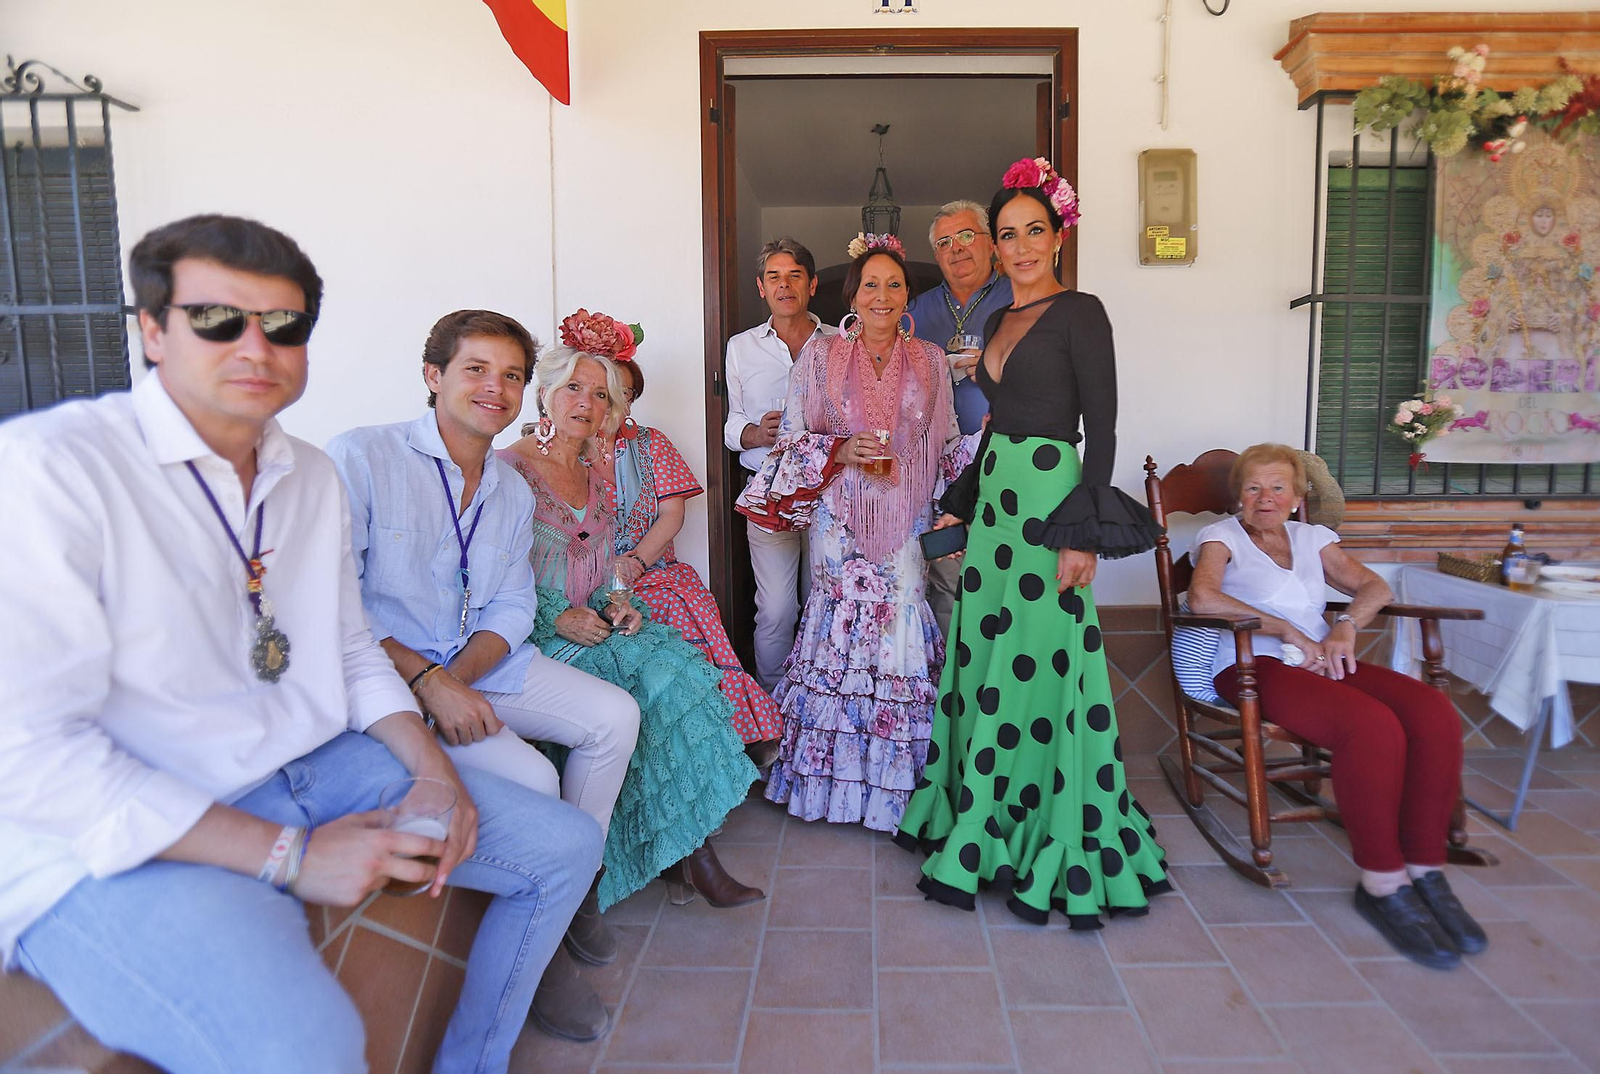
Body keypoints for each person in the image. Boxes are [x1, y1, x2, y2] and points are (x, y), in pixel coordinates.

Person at [0, 214, 601, 1073]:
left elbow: (348, 645)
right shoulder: (51, 470)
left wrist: (433, 773)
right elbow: (27, 759)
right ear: (152, 331)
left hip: (316, 763)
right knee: (307, 1048)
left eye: (282, 325)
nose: (255, 345)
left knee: (564, 846)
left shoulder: (305, 473)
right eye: (217, 318)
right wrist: (290, 856)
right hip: (122, 834)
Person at [327, 308, 642, 1042]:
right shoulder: (363, 457)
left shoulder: (507, 490)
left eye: (509, 375)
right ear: (433, 376)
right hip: (379, 676)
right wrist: (426, 682)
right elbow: (332, 596)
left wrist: (458, 679)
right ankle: (543, 939)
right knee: (533, 783)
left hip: (479, 669)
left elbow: (510, 602)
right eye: (475, 369)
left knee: (615, 716)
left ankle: (576, 890)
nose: (494, 388)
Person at [897, 160, 1170, 928]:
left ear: (1058, 237)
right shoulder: (990, 324)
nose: (1019, 247)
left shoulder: (1082, 312)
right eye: (1006, 234)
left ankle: (1045, 831)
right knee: (986, 659)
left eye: (1033, 233)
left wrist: (1083, 531)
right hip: (998, 510)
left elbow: (1105, 427)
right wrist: (959, 509)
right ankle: (981, 817)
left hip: (1054, 499)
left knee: (1045, 660)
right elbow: (994, 429)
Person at [501, 309, 764, 910]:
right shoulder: (508, 470)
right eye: (573, 388)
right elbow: (492, 577)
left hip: (592, 618)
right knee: (641, 694)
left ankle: (689, 857)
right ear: (544, 393)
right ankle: (673, 865)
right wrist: (554, 616)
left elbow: (595, 567)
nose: (586, 403)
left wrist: (617, 602)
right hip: (529, 635)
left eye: (601, 394)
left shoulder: (592, 470)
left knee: (682, 682)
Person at [1186, 443, 1485, 970]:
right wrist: (1286, 629)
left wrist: (1345, 625)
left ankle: (1424, 867)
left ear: (1299, 496)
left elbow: (1372, 585)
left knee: (1431, 714)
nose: (1265, 497)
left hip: (1320, 661)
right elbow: (1204, 599)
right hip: (1252, 666)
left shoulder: (1313, 539)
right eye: (1253, 486)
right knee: (1369, 728)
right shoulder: (1221, 538)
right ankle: (1383, 882)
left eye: (1278, 487)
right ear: (1238, 495)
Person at [738, 234, 976, 832]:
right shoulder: (819, 357)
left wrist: (964, 491)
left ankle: (896, 789)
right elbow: (792, 437)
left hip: (908, 515)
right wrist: (839, 449)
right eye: (870, 283)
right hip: (836, 516)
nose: (882, 294)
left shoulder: (929, 360)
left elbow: (943, 441)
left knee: (900, 620)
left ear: (907, 296)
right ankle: (829, 785)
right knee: (836, 622)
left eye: (894, 284)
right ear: (852, 293)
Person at [597, 349, 783, 762]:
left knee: (686, 602)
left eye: (626, 392)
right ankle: (697, 749)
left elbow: (671, 513)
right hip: (589, 574)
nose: (616, 400)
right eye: (607, 390)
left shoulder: (652, 444)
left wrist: (637, 562)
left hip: (651, 566)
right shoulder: (564, 449)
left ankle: (733, 735)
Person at [723, 238, 838, 690]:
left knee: (824, 599)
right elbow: (733, 420)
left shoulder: (841, 341)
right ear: (760, 287)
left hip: (832, 493)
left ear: (811, 285)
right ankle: (773, 711)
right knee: (775, 610)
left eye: (794, 276)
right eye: (774, 276)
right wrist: (753, 433)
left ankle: (818, 703)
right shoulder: (740, 347)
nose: (784, 285)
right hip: (767, 490)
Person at [907, 202, 1016, 640]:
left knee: (1004, 569)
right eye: (944, 243)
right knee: (946, 576)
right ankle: (950, 688)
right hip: (938, 465)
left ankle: (1001, 688)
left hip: (1007, 457)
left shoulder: (1021, 296)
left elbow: (1057, 377)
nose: (957, 249)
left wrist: (997, 371)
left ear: (991, 242)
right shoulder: (915, 311)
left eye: (967, 236)